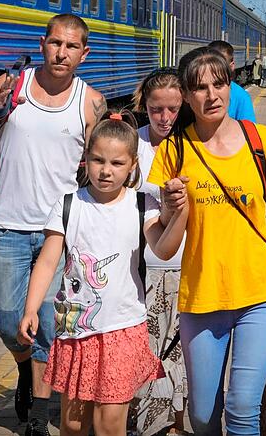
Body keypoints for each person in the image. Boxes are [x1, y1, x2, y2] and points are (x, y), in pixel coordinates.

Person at [147, 47, 266, 435]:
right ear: (186, 95)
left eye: (219, 84)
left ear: (231, 86)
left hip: (261, 291)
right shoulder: (174, 151)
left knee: (243, 407)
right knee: (203, 416)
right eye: (200, 87)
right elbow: (165, 244)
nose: (212, 95)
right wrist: (173, 209)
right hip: (203, 295)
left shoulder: (262, 141)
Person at [0, 14, 105, 435]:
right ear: (42, 44)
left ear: (84, 53)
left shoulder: (91, 102)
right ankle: (24, 369)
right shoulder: (12, 85)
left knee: (48, 323)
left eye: (71, 47)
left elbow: (102, 163)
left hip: (60, 231)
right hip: (11, 225)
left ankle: (38, 413)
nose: (62, 53)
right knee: (7, 319)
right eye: (55, 43)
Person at [17, 111, 187, 436]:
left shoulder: (142, 205)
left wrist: (180, 212)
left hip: (123, 328)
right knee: (73, 425)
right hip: (76, 332)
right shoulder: (68, 205)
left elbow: (164, 249)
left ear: (133, 164)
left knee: (109, 424)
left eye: (117, 163)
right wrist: (30, 309)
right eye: (98, 160)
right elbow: (48, 262)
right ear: (86, 159)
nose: (106, 170)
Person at [131, 68, 188, 436]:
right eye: (156, 110)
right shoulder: (131, 145)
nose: (165, 118)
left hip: (188, 265)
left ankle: (177, 425)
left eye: (173, 109)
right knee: (148, 352)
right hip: (142, 266)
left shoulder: (193, 143)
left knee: (180, 356)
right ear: (144, 106)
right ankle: (146, 425)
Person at [207, 40, 257, 123]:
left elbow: (248, 128)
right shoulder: (241, 96)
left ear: (232, 65)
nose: (212, 96)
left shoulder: (241, 97)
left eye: (222, 64)